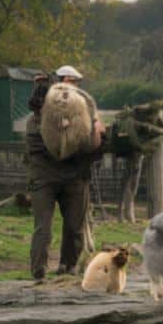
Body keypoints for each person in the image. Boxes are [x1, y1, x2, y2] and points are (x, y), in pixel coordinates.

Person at [25, 65, 105, 280]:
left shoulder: (35, 120)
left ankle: (47, 269)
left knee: (52, 226)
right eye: (72, 82)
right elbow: (92, 144)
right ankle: (63, 267)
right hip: (64, 176)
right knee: (67, 226)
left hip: (54, 176)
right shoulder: (79, 113)